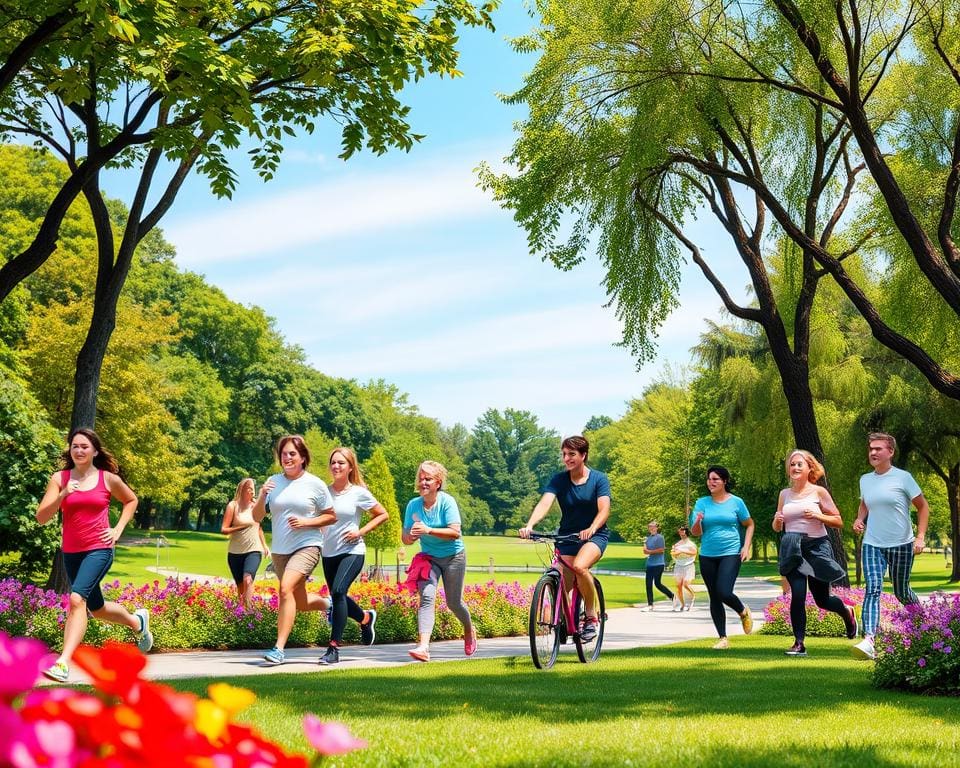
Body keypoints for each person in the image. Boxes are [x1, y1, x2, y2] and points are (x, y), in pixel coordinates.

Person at [35, 428, 154, 682]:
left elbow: (130, 500)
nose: (79, 450)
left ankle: (63, 662)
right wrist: (63, 495)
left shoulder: (107, 479)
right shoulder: (59, 478)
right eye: (75, 446)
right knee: (96, 608)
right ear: (70, 449)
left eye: (84, 447)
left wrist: (118, 529)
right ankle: (137, 622)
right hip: (72, 552)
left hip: (99, 548)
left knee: (77, 599)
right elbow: (42, 517)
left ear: (95, 451)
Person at [519, 435, 610, 642]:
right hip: (567, 536)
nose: (567, 458)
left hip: (594, 536)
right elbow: (545, 503)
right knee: (562, 584)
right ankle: (565, 619)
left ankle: (590, 616)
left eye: (572, 454)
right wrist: (530, 525)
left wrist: (592, 527)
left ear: (583, 455)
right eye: (564, 454)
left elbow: (604, 509)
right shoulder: (559, 480)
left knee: (579, 567)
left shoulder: (599, 479)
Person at [253, 434, 334, 665]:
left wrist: (307, 522)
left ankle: (279, 649)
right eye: (283, 454)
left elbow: (331, 516)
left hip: (307, 545)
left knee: (285, 588)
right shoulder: (274, 482)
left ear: (302, 458)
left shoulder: (315, 484)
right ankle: (329, 605)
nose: (287, 458)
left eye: (292, 454)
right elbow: (257, 516)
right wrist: (262, 495)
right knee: (299, 602)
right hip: (281, 549)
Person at [851, 432, 929, 660]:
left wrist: (921, 536)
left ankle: (923, 622)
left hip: (902, 543)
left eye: (878, 449)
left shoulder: (903, 478)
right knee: (873, 589)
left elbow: (923, 507)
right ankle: (869, 639)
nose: (873, 452)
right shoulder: (865, 479)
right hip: (873, 543)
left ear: (891, 452)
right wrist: (859, 519)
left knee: (901, 591)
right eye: (871, 449)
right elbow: (865, 503)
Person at [773, 450, 857, 657]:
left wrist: (819, 515)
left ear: (809, 468)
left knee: (822, 600)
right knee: (798, 595)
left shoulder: (819, 492)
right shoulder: (784, 494)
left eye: (800, 464)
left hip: (817, 547)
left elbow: (838, 520)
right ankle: (799, 643)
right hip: (792, 546)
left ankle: (847, 612)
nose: (795, 468)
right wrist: (777, 520)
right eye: (792, 464)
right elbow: (777, 527)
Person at [319, 447, 389, 665]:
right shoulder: (323, 492)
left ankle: (333, 649)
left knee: (339, 591)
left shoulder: (358, 493)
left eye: (341, 463)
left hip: (352, 550)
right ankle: (366, 619)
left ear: (350, 467)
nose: (336, 466)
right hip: (329, 552)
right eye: (333, 462)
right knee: (338, 596)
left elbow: (382, 514)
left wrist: (360, 531)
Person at [402, 460, 476, 662]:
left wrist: (428, 530)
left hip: (454, 557)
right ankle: (424, 647)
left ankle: (469, 628)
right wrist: (411, 537)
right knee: (426, 598)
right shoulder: (413, 505)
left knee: (454, 603)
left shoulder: (446, 502)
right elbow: (405, 537)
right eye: (421, 478)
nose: (423, 482)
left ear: (438, 483)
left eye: (428, 479)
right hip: (429, 559)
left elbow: (455, 532)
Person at [690, 465, 755, 649]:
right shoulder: (701, 503)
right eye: (709, 479)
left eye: (715, 479)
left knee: (724, 591)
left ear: (724, 481)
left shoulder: (736, 502)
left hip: (731, 553)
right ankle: (723, 638)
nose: (711, 482)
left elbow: (749, 524)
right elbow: (695, 532)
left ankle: (742, 611)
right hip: (707, 555)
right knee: (714, 596)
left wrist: (746, 546)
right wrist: (697, 520)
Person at [221, 477, 269, 611]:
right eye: (249, 488)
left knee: (248, 580)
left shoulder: (255, 506)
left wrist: (265, 546)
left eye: (253, 489)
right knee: (241, 588)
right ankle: (241, 615)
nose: (252, 492)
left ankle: (250, 613)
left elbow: (259, 527)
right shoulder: (233, 506)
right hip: (235, 553)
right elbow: (224, 529)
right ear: (242, 490)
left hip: (254, 550)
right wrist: (239, 528)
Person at [639, 520, 674, 611]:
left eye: (653, 526)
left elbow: (661, 550)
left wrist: (650, 551)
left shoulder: (660, 538)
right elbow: (644, 550)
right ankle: (650, 605)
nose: (651, 528)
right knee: (648, 584)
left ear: (657, 528)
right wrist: (647, 550)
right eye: (650, 526)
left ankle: (672, 596)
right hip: (650, 563)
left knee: (657, 583)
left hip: (659, 563)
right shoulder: (648, 538)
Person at [671, 526, 698, 611]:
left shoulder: (690, 544)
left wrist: (682, 551)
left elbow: (694, 552)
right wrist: (675, 553)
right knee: (678, 586)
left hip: (688, 565)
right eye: (680, 533)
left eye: (683, 533)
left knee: (686, 584)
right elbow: (673, 553)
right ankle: (682, 604)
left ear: (686, 533)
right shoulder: (677, 544)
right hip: (679, 565)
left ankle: (692, 597)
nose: (682, 535)